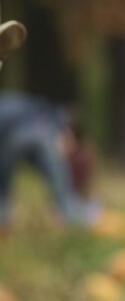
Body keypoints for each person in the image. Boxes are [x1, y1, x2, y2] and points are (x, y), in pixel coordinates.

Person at [0, 92, 98, 234]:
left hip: (11, 133)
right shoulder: (56, 122)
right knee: (59, 183)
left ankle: (3, 221)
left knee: (3, 180)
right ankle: (75, 216)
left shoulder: (38, 108)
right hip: (34, 130)